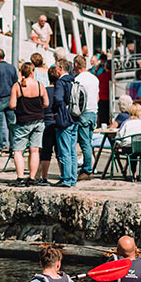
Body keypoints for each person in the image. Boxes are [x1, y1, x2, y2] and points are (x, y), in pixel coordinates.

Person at [10, 62, 49, 186]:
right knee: (35, 150)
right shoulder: (39, 85)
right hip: (38, 121)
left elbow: (12, 105)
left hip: (23, 121)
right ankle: (32, 177)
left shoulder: (17, 86)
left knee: (18, 150)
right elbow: (46, 103)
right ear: (32, 72)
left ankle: (20, 177)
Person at [52, 58, 79, 187]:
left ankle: (66, 178)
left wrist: (54, 110)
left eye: (56, 67)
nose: (55, 70)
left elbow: (58, 99)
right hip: (74, 117)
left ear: (61, 68)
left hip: (64, 119)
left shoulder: (60, 82)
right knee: (72, 151)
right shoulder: (73, 81)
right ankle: (73, 178)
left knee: (64, 150)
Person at [73, 55, 99, 180]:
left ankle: (88, 169)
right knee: (88, 142)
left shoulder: (78, 79)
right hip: (93, 112)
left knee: (85, 144)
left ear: (76, 65)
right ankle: (89, 167)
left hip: (83, 112)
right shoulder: (94, 79)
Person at [0, 48, 17, 158]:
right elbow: (15, 83)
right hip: (10, 98)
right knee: (12, 125)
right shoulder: (12, 67)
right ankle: (13, 149)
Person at [36, 63, 59, 186]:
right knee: (60, 151)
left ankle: (44, 177)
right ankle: (63, 175)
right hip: (58, 122)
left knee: (46, 152)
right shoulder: (59, 90)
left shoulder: (44, 90)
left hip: (46, 122)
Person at [94, 53, 112, 126]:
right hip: (110, 98)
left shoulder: (101, 76)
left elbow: (94, 78)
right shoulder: (113, 76)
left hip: (102, 99)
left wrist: (96, 69)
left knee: (102, 118)